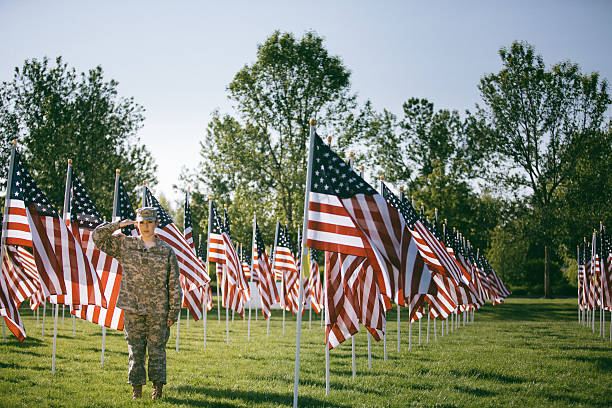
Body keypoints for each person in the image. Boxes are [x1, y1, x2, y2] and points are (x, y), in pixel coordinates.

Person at [93, 207, 182, 400]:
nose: (146, 226)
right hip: (133, 308)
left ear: (156, 224)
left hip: (158, 310)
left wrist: (173, 313)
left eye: (149, 222)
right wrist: (118, 225)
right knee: (136, 351)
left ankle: (157, 390)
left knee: (157, 350)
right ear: (137, 224)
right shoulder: (126, 245)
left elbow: (174, 283)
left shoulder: (166, 251)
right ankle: (137, 390)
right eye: (141, 222)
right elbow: (97, 237)